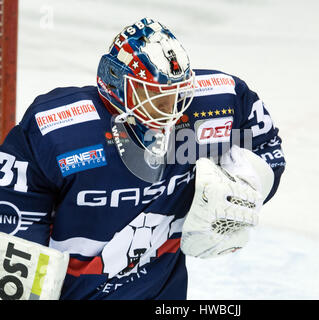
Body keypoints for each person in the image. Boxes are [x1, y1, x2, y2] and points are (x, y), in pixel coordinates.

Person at [0, 17, 285, 300]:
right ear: (115, 81)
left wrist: (249, 183)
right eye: (153, 95)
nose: (169, 109)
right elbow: (15, 216)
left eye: (177, 94)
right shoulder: (59, 130)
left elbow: (266, 145)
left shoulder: (212, 105)